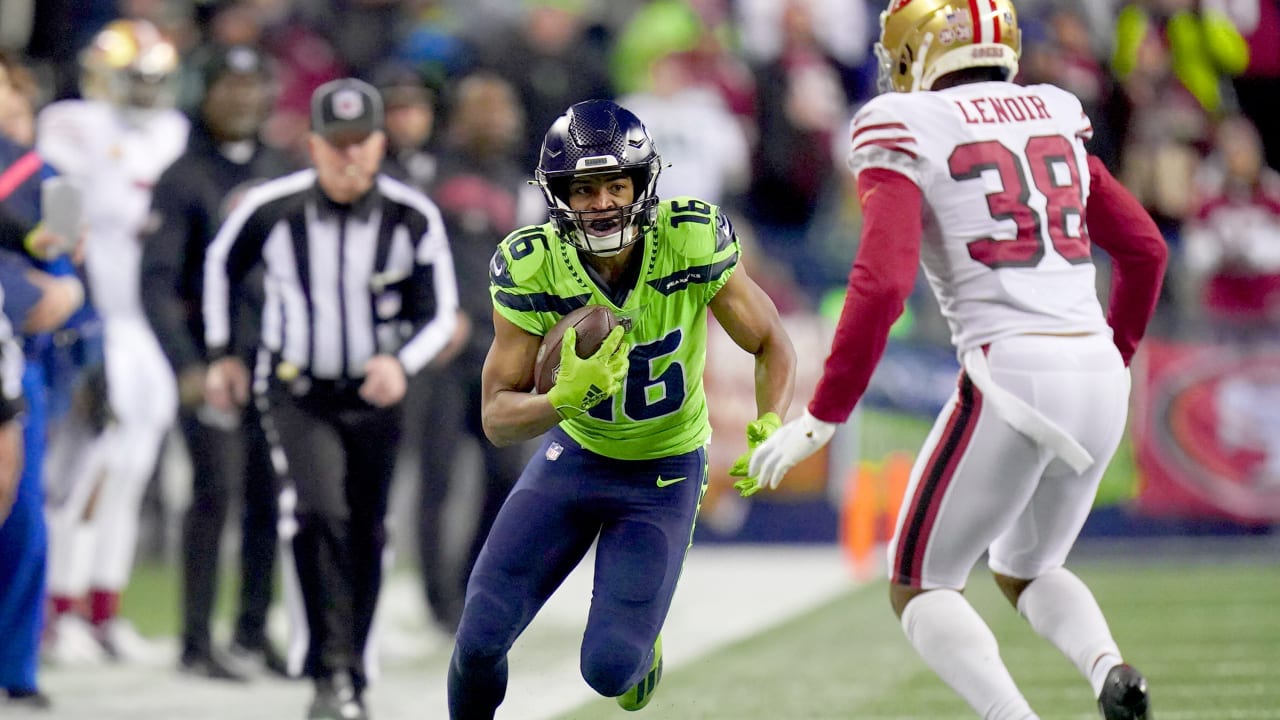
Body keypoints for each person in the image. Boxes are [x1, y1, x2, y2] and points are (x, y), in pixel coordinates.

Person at [739, 2, 1169, 719]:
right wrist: (1116, 356)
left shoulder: (907, 124)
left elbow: (881, 284)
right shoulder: (1053, 110)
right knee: (1029, 567)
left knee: (919, 583)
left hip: (1011, 370)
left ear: (921, 49)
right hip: (1094, 362)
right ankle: (1110, 672)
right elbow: (1145, 250)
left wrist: (821, 417)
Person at [447, 99, 797, 719]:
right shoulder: (532, 263)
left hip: (663, 470)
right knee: (478, 638)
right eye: (585, 189)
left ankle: (641, 650)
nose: (603, 202)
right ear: (558, 195)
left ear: (643, 184)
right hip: (576, 456)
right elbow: (496, 418)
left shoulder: (689, 236)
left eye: (616, 184)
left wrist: (771, 422)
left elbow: (770, 340)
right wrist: (559, 401)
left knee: (609, 670)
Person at [202, 77, 459, 720]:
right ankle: (329, 666)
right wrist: (222, 352)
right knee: (319, 512)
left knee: (368, 527)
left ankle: (352, 666)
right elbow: (219, 266)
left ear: (379, 143)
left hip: (375, 395)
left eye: (360, 142)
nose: (349, 156)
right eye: (336, 143)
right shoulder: (273, 207)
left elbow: (442, 313)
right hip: (296, 389)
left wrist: (401, 364)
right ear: (313, 145)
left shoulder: (410, 215)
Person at [36, 18, 190, 662]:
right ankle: (57, 610)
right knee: (87, 466)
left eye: (157, 79)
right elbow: (59, 223)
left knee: (133, 465)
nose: (149, 92)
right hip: (98, 311)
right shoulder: (74, 126)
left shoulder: (173, 133)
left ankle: (103, 608)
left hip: (148, 320)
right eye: (137, 79)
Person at [139, 43, 294, 681]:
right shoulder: (183, 177)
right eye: (228, 85)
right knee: (214, 492)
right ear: (205, 95)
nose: (241, 98)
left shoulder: (283, 170)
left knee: (270, 496)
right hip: (214, 362)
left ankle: (254, 631)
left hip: (277, 362)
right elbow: (157, 282)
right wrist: (187, 363)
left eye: (253, 85)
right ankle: (196, 639)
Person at [411, 71, 542, 634]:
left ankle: (470, 584)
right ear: (458, 115)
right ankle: (437, 600)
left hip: (500, 354)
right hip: (441, 351)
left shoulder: (525, 188)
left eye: (501, 107)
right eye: (481, 107)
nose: (494, 119)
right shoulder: (426, 174)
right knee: (436, 477)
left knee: (504, 474)